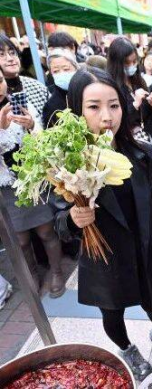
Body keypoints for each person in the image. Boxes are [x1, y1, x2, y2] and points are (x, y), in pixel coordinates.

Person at [54, 68, 152, 380]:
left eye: (114, 105)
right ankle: (128, 350)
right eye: (93, 107)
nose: (106, 116)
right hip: (103, 255)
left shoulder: (143, 153)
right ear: (75, 111)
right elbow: (57, 221)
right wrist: (73, 218)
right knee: (112, 313)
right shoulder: (66, 163)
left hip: (141, 247)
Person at [0, 67, 65, 297]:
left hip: (34, 181)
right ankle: (32, 275)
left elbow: (44, 143)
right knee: (21, 239)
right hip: (7, 189)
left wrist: (31, 126)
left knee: (46, 231)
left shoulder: (21, 105)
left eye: (0, 81)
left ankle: (57, 272)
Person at [107, 37, 152, 134]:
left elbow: (146, 115)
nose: (132, 65)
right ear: (116, 64)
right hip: (126, 141)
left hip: (144, 134)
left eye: (134, 61)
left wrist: (151, 104)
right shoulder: (110, 87)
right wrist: (135, 104)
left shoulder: (138, 80)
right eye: (127, 63)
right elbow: (115, 123)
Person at [0, 34, 49, 122]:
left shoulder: (36, 87)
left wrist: (33, 126)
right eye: (1, 54)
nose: (10, 58)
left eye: (12, 53)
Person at [42, 48, 79, 128]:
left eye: (66, 69)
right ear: (51, 73)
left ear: (75, 68)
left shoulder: (88, 92)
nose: (61, 73)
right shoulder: (51, 106)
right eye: (56, 71)